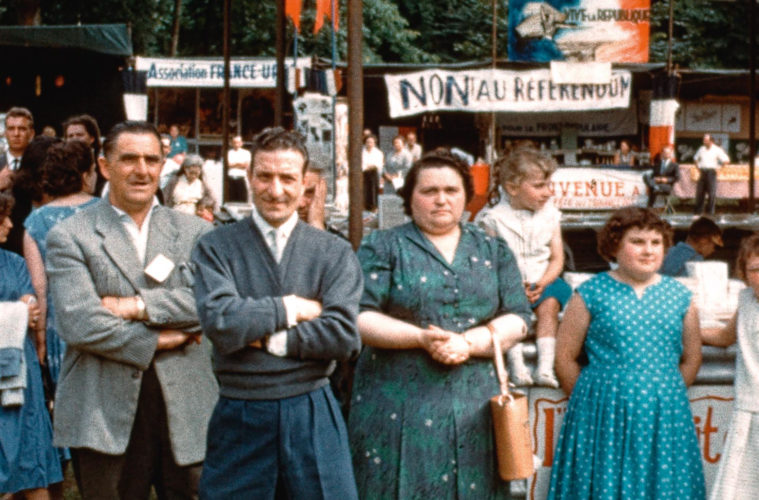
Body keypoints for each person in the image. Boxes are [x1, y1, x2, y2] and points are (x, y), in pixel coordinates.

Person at [45, 121, 218, 499]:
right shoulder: (71, 235)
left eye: (151, 160)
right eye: (129, 159)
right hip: (102, 410)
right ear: (104, 166)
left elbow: (210, 302)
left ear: (162, 166)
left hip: (187, 407)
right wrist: (160, 340)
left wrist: (137, 306)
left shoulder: (197, 232)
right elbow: (80, 322)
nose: (142, 170)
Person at [349, 149, 532, 499]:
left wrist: (470, 342)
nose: (441, 200)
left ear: (466, 195)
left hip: (475, 406)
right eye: (429, 191)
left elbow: (519, 315)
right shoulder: (382, 246)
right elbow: (359, 315)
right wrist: (420, 338)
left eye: (451, 190)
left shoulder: (493, 250)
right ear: (409, 197)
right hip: (396, 404)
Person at [192, 127, 362, 499]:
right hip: (241, 411)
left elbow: (343, 336)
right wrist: (293, 307)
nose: (276, 189)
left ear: (304, 185)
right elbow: (221, 322)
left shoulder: (333, 251)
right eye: (265, 176)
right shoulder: (215, 247)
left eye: (287, 178)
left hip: (311, 409)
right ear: (249, 178)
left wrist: (268, 339)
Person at [548, 207, 705, 499]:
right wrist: (592, 401)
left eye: (656, 243)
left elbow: (692, 358)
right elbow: (565, 357)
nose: (648, 250)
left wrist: (664, 392)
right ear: (614, 246)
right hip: (603, 414)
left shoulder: (681, 297)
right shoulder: (591, 292)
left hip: (663, 414)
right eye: (637, 242)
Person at [476, 147, 572, 388]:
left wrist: (542, 282)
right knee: (507, 309)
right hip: (508, 284)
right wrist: (512, 285)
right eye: (539, 186)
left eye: (548, 185)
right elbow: (489, 262)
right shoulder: (494, 219)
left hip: (542, 280)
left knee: (550, 305)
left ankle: (545, 367)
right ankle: (516, 366)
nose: (548, 192)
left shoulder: (551, 216)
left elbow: (557, 259)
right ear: (512, 188)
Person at [0, 191, 63, 500]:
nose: (10, 225)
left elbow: (33, 309)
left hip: (21, 376)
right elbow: (23, 311)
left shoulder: (13, 262)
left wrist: (24, 307)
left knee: (32, 458)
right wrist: (17, 312)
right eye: (2, 219)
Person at [23, 140, 99, 387]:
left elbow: (39, 287)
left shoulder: (35, 222)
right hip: (104, 318)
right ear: (85, 175)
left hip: (60, 324)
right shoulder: (107, 211)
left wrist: (40, 338)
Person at [702, 233, 759, 499]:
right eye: (755, 269)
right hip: (749, 410)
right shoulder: (746, 300)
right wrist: (690, 330)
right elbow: (726, 336)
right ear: (744, 273)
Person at [0, 107, 35, 255]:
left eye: (21, 129)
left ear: (31, 133)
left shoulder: (40, 165)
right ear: (5, 133)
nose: (16, 134)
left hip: (30, 241)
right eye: (11, 128)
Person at [162, 153, 216, 220]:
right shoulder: (174, 181)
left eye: (196, 173)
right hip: (175, 216)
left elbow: (212, 199)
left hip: (195, 218)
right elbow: (164, 198)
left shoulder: (201, 184)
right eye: (191, 172)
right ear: (185, 169)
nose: (193, 176)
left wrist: (202, 204)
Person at [693, 133, 729, 215]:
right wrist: (698, 167)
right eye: (704, 140)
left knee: (711, 193)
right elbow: (695, 158)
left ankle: (710, 213)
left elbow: (726, 160)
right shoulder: (701, 149)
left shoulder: (717, 149)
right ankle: (698, 212)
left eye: (706, 140)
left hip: (711, 173)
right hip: (702, 172)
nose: (704, 142)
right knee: (699, 193)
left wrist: (719, 168)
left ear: (711, 141)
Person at [361, 134, 383, 211]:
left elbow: (379, 164)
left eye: (371, 142)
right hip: (364, 173)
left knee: (373, 190)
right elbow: (361, 163)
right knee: (364, 190)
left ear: (374, 143)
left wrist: (371, 166)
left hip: (374, 173)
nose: (369, 144)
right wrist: (366, 167)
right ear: (365, 143)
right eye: (367, 142)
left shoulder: (378, 152)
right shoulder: (362, 152)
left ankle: (374, 206)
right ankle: (365, 206)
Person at [226, 135, 251, 203]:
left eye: (238, 142)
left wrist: (234, 164)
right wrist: (239, 164)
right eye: (234, 142)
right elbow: (227, 165)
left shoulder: (246, 153)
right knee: (231, 200)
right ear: (231, 143)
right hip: (230, 178)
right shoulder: (228, 153)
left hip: (241, 178)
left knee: (242, 199)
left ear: (241, 143)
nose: (236, 144)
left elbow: (246, 165)